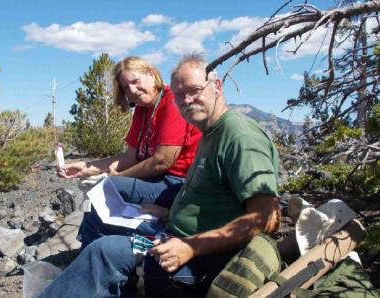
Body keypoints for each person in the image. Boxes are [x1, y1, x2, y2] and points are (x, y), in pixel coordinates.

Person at [41, 55, 281, 297]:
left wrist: (191, 246)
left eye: (195, 90)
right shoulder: (210, 132)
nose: (186, 100)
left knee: (104, 253)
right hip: (166, 237)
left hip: (198, 256)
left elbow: (267, 217)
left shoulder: (239, 136)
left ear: (217, 87)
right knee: (104, 246)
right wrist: (169, 212)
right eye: (178, 95)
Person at [60, 56, 202, 248]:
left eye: (136, 81)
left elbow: (162, 161)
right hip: (156, 179)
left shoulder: (171, 102)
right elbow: (131, 156)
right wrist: (87, 168)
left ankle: (100, 251)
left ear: (152, 75)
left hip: (177, 182)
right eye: (126, 87)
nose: (133, 90)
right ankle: (93, 250)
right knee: (100, 196)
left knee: (108, 190)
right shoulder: (143, 110)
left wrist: (118, 178)